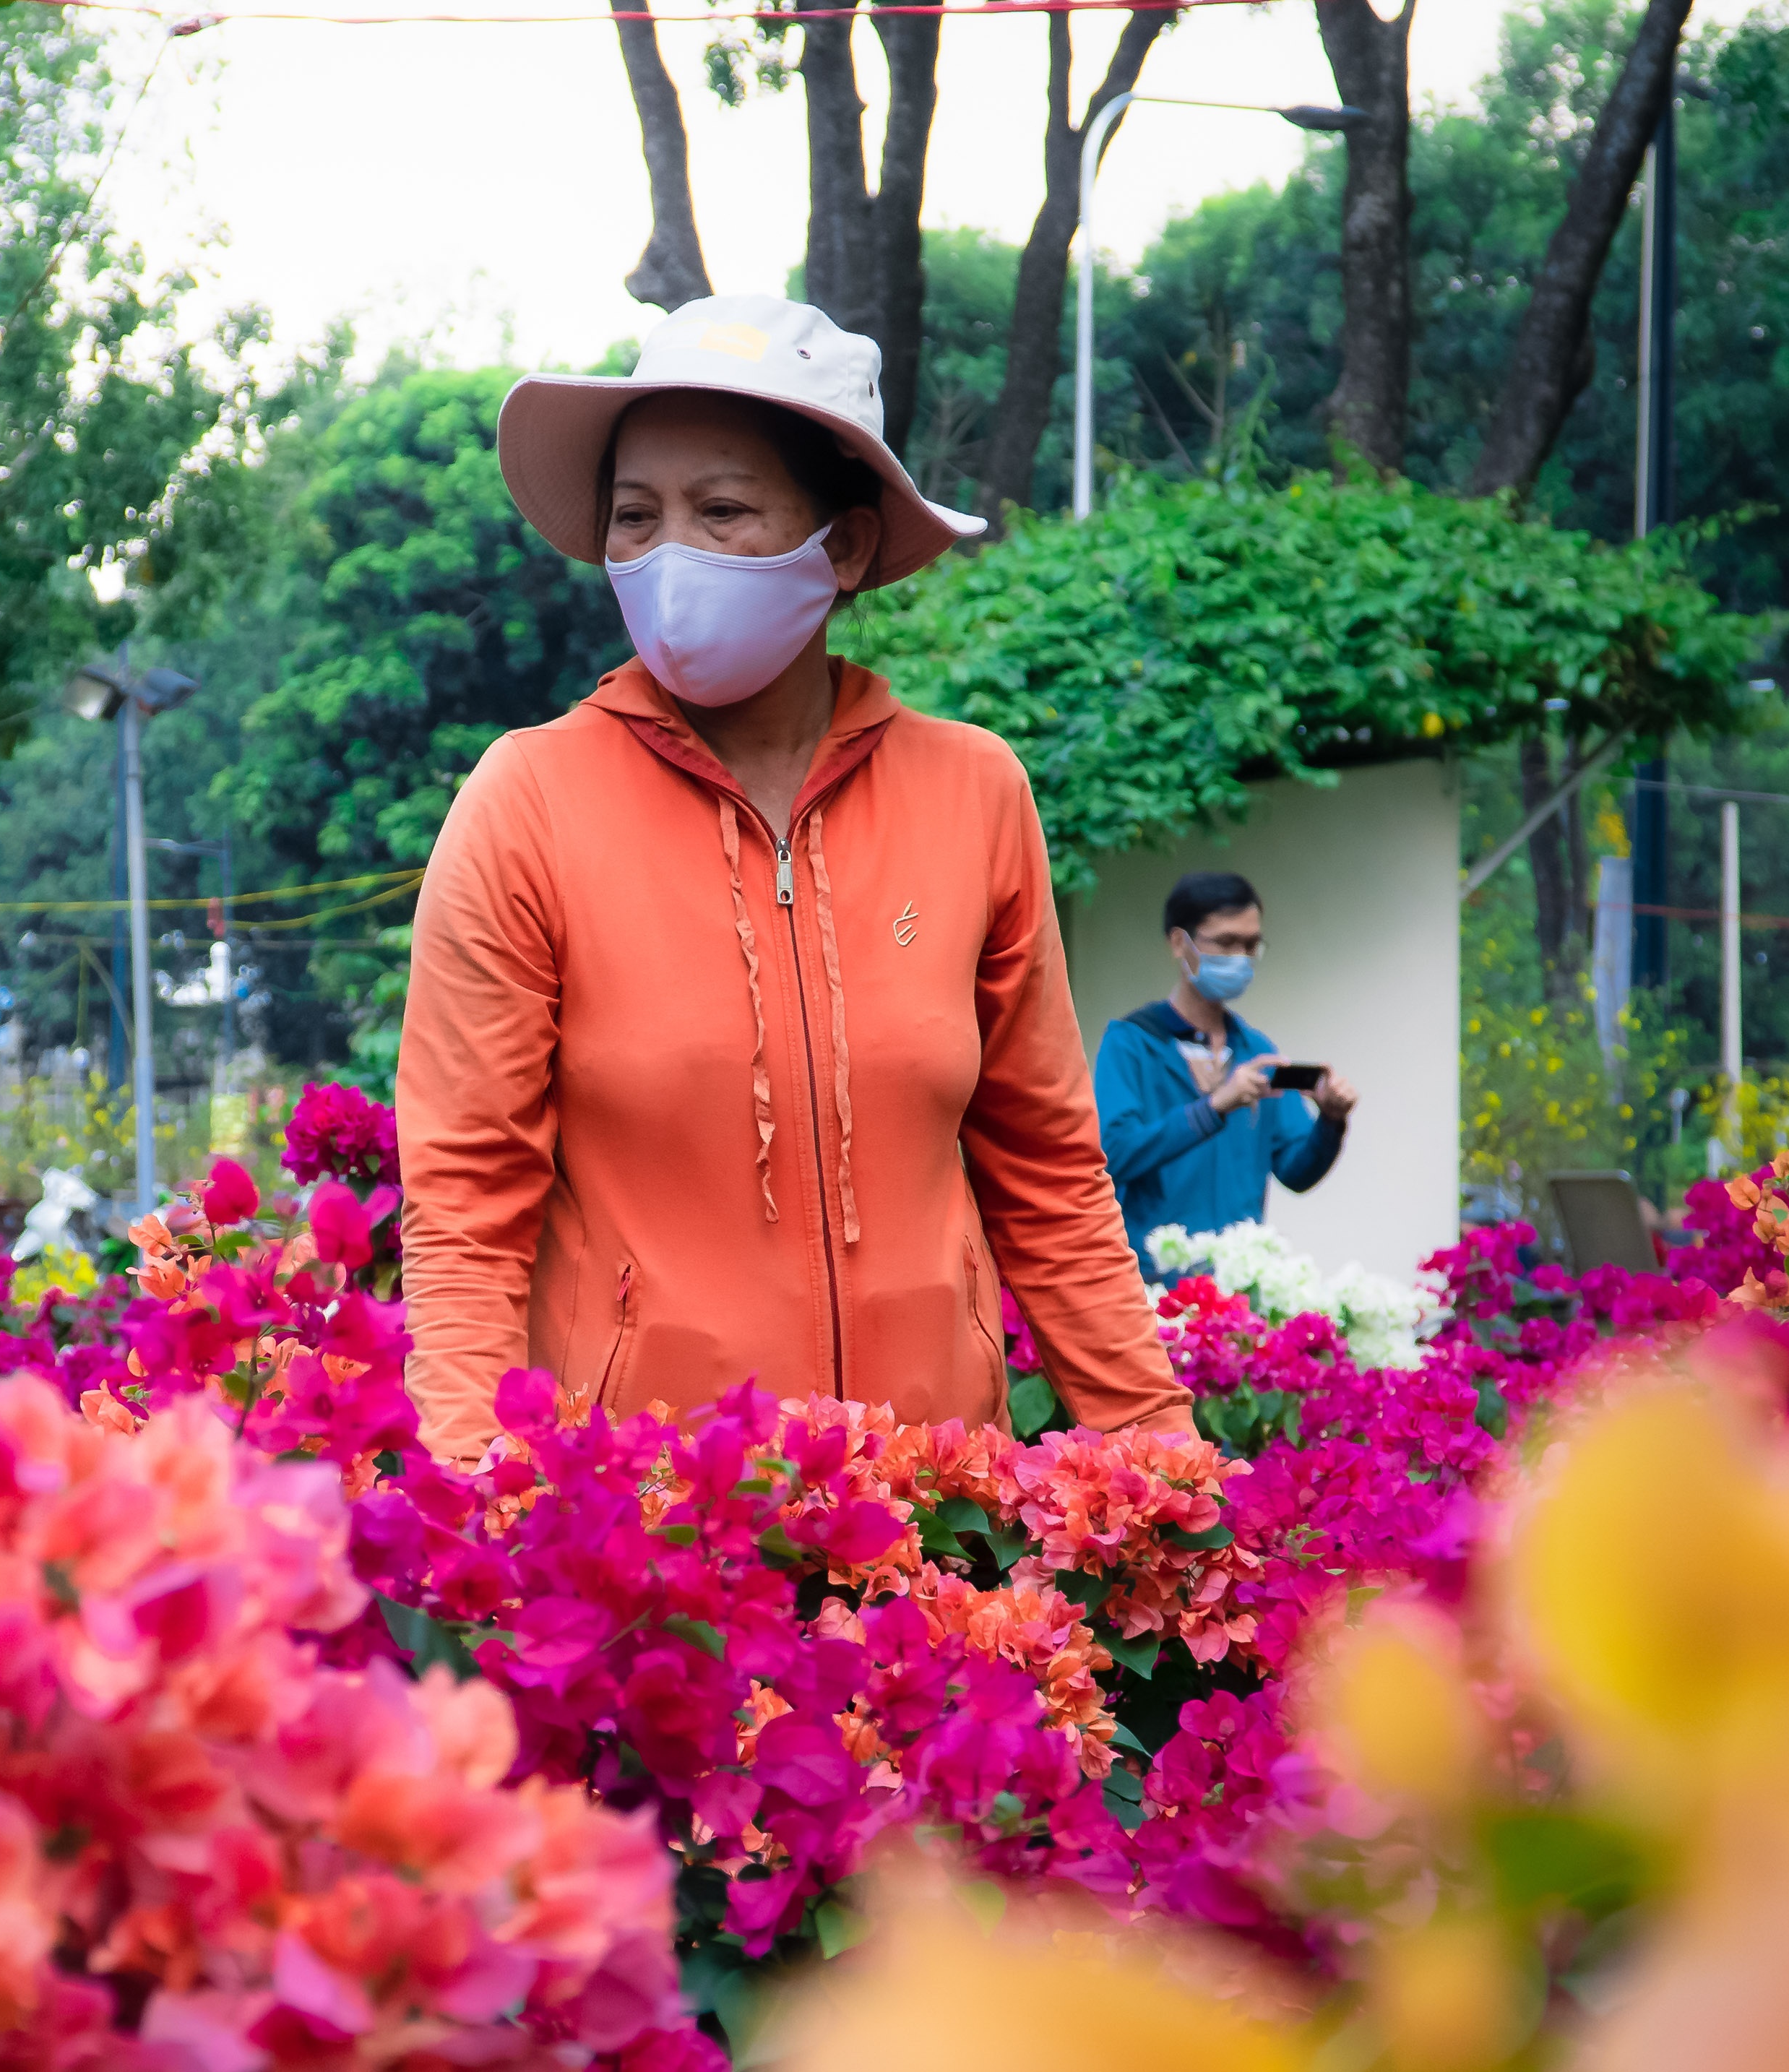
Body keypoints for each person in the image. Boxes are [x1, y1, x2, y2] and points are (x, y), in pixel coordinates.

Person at [396, 293, 1189, 1463]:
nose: (670, 556)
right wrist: (469, 1477)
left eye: (721, 511)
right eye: (634, 517)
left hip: (934, 1519)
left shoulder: (975, 794)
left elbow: (1055, 1177)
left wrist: (1163, 1454)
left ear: (847, 546)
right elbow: (465, 1200)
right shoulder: (527, 804)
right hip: (643, 1540)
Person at [1091, 871, 1359, 1274]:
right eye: (1226, 943)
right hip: (1152, 1286)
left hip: (1238, 1290)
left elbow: (1296, 1172)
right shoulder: (1132, 1043)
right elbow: (1114, 1156)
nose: (1240, 958)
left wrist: (1332, 1121)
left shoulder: (1257, 1051)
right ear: (1179, 943)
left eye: (1251, 945)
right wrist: (1215, 1106)